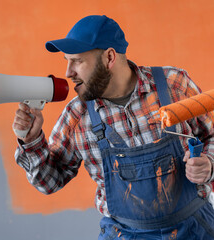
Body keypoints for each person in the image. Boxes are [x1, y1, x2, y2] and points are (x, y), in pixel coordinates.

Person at [12, 15, 214, 239]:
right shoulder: (76, 116)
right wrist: (31, 141)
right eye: (67, 61)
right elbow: (50, 182)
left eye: (77, 60)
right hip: (124, 234)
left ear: (109, 57)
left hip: (195, 230)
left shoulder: (174, 83)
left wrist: (209, 163)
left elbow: (212, 135)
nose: (68, 72)